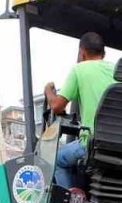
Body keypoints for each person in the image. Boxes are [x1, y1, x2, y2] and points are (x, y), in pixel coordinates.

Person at [43, 31, 115, 191]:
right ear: (104, 53)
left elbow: (56, 106)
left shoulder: (79, 70)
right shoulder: (117, 71)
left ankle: (70, 199)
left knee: (54, 159)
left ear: (81, 52)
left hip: (92, 144)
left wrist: (48, 90)